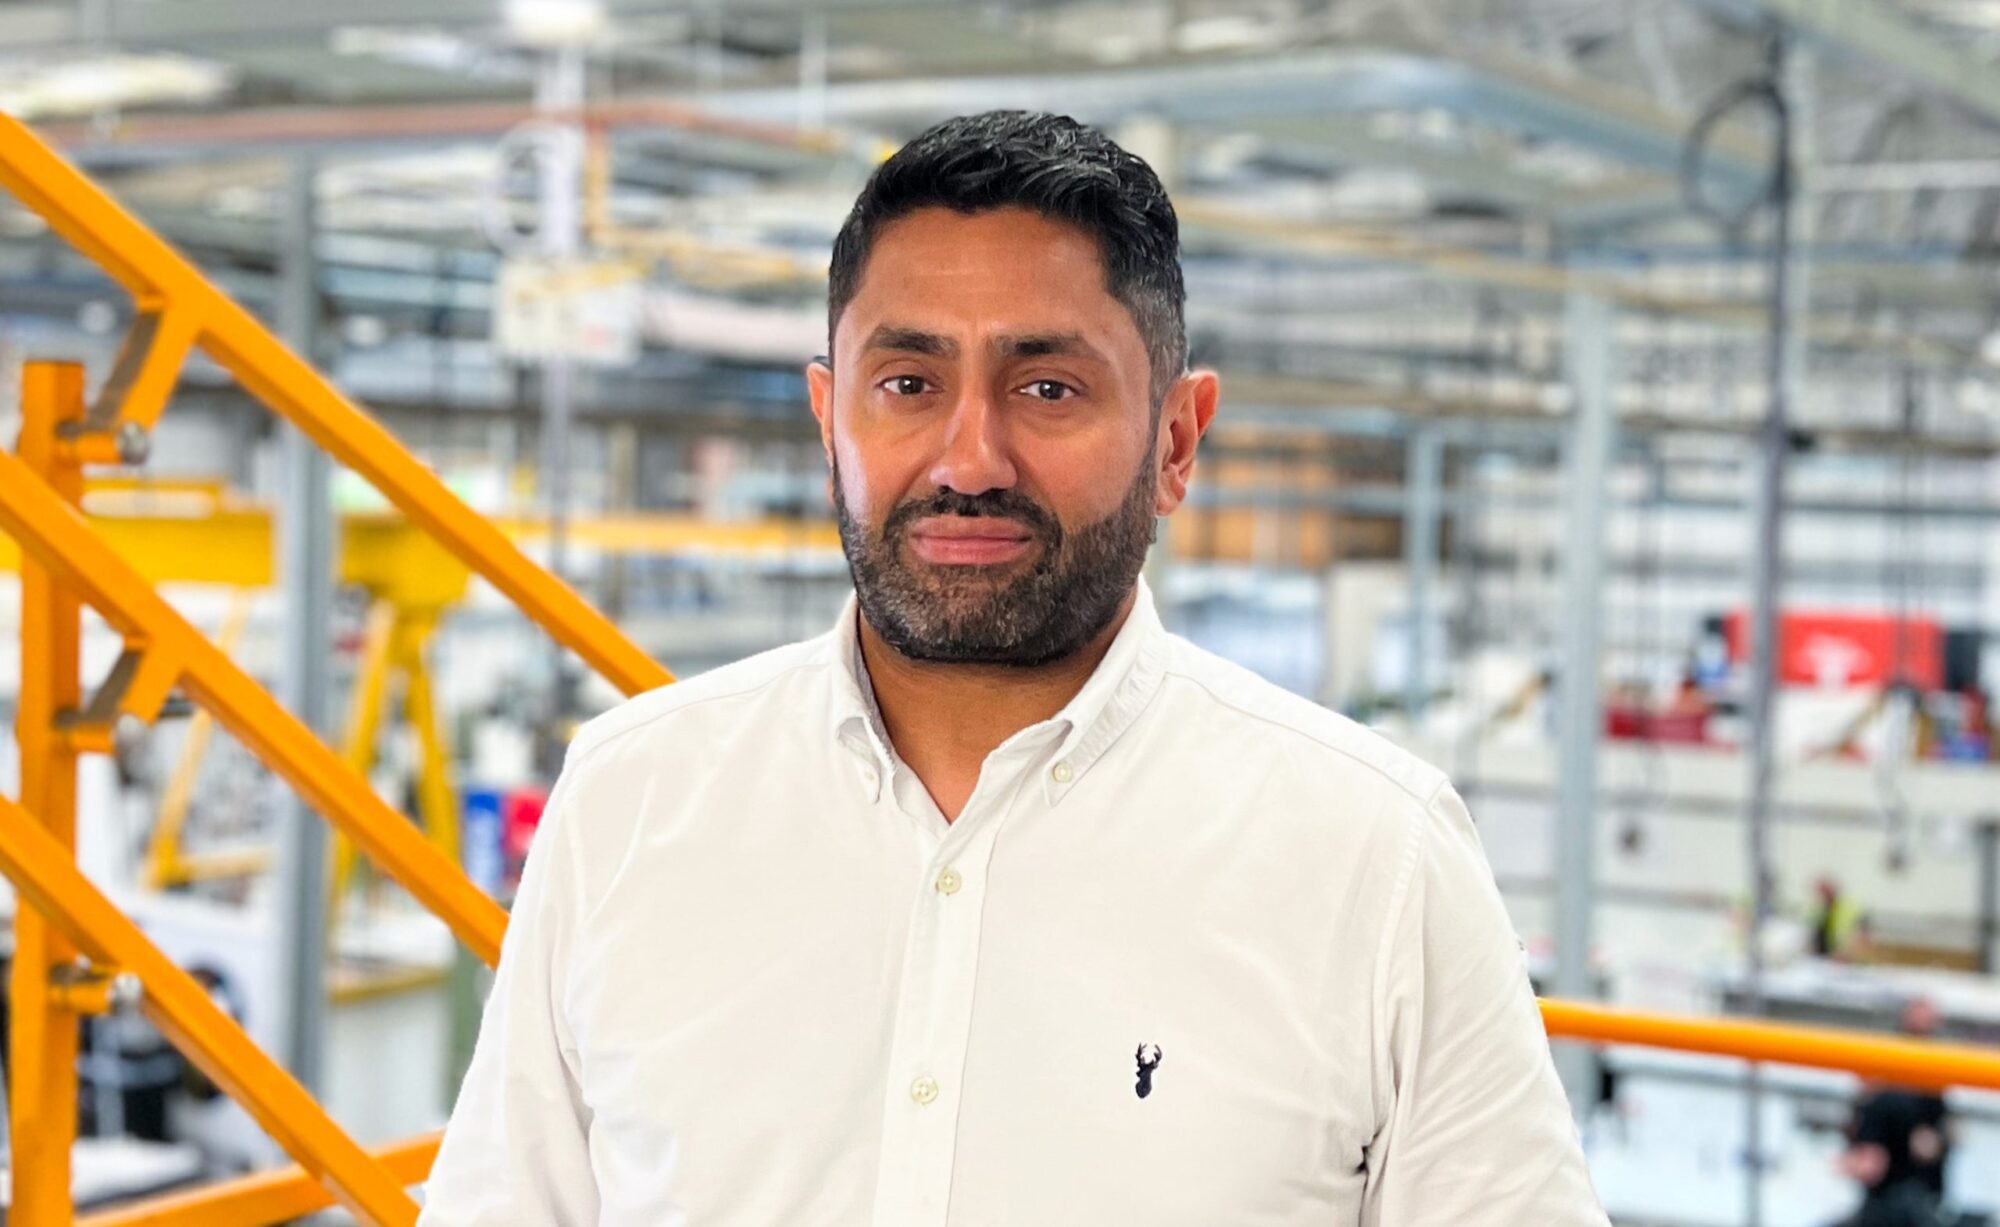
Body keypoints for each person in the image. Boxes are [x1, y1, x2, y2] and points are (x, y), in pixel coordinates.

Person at [420, 110, 1608, 1226]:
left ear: (1176, 442)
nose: (968, 456)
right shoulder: (631, 797)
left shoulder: (1374, 857)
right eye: (906, 385)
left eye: (1047, 388)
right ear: (829, 419)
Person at [1832, 998, 1953, 1227]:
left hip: (1913, 1188)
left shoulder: (1934, 1071)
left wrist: (1936, 1141)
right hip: (1886, 1190)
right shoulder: (1887, 1072)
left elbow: (1939, 1133)